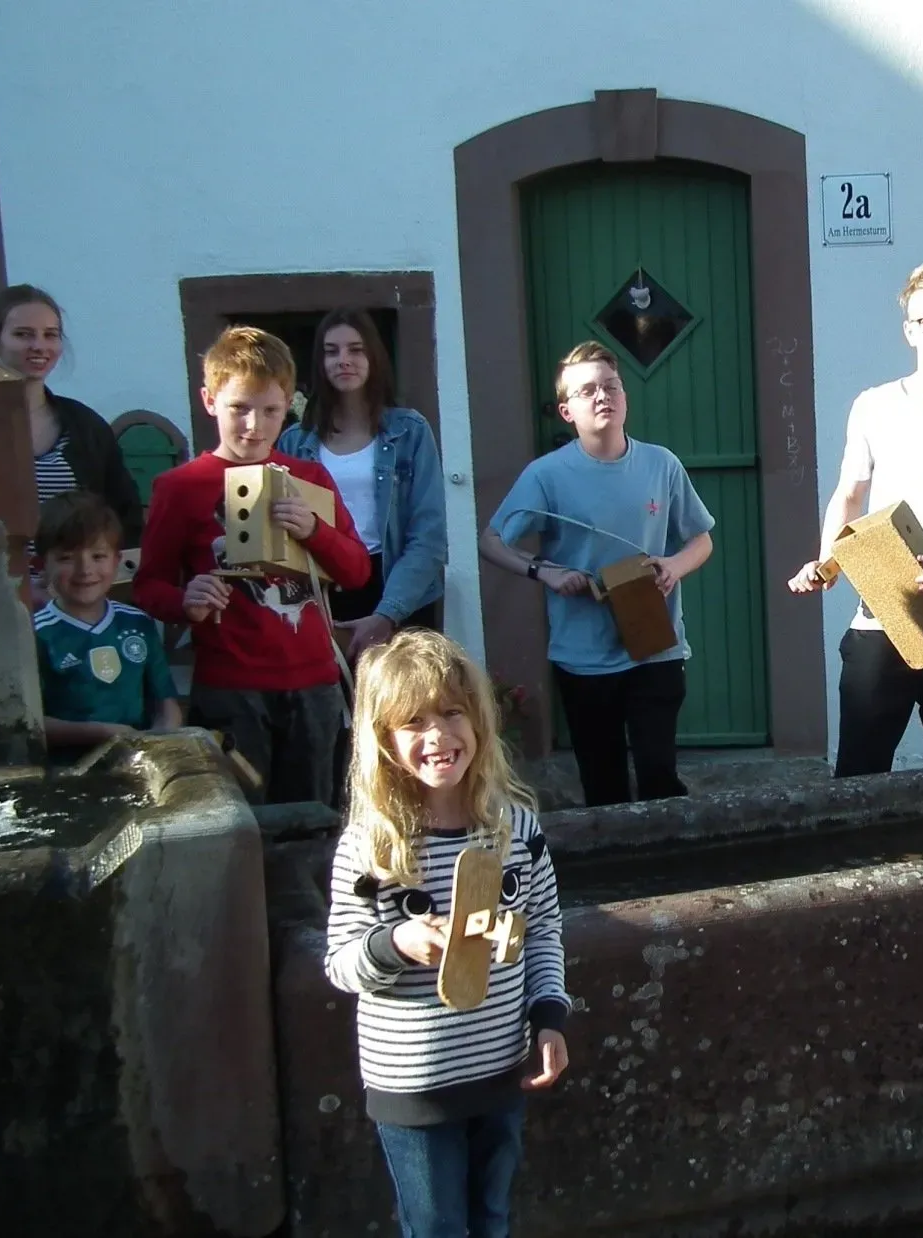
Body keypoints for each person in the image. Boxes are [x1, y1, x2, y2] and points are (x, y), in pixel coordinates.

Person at [323, 628, 568, 1238]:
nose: (436, 736)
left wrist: (548, 1018)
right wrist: (397, 944)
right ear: (384, 741)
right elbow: (341, 961)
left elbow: (542, 930)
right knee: (436, 1228)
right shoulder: (370, 847)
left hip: (500, 1068)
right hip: (416, 1083)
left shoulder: (516, 828)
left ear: (479, 721)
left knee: (491, 1219)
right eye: (413, 722)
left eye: (452, 713)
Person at [133, 326, 371, 804]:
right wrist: (185, 600)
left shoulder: (309, 477)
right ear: (209, 401)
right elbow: (148, 586)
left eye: (270, 411)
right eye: (239, 408)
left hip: (314, 684)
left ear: (289, 407)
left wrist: (314, 531)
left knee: (315, 821)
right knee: (242, 823)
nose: (253, 425)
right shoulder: (180, 487)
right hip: (231, 688)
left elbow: (357, 573)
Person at [787, 264, 923, 776]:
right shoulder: (874, 406)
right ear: (909, 330)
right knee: (858, 779)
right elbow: (849, 495)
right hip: (883, 614)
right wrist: (828, 561)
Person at [481, 341, 715, 807]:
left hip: (656, 647)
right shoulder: (546, 475)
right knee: (603, 785)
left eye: (611, 386)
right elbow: (491, 540)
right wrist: (545, 572)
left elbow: (701, 540)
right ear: (566, 411)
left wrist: (673, 566)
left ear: (625, 396)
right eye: (587, 391)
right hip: (583, 657)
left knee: (659, 777)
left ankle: (670, 853)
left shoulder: (661, 464)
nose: (602, 396)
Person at [276, 309, 447, 661]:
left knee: (402, 696)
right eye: (331, 351)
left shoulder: (410, 431)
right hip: (324, 588)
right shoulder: (295, 440)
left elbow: (428, 537)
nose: (344, 360)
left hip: (398, 587)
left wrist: (388, 613)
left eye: (356, 349)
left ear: (374, 357)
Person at [0, 284, 146, 597]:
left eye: (50, 335)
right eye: (23, 334)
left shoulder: (85, 427)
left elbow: (123, 517)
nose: (39, 346)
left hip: (74, 603)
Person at [31, 490, 181, 762]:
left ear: (117, 560)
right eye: (66, 558)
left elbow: (166, 703)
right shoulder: (36, 633)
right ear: (42, 565)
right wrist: (102, 733)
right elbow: (31, 722)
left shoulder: (138, 623)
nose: (85, 570)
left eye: (98, 556)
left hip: (137, 765)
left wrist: (162, 742)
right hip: (66, 773)